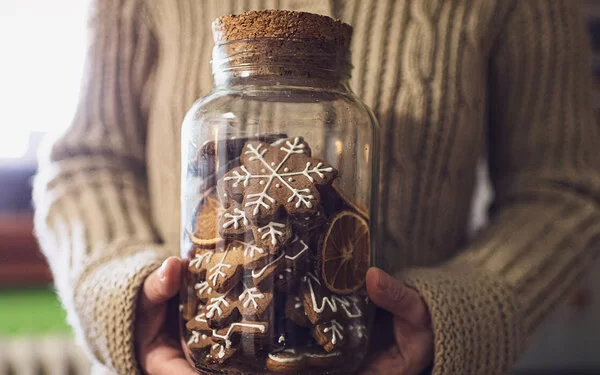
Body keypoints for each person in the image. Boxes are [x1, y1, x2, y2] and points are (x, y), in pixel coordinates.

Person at [34, 1, 600, 374]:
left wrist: (466, 312)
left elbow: (566, 189)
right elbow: (89, 161)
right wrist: (128, 301)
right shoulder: (211, 113)